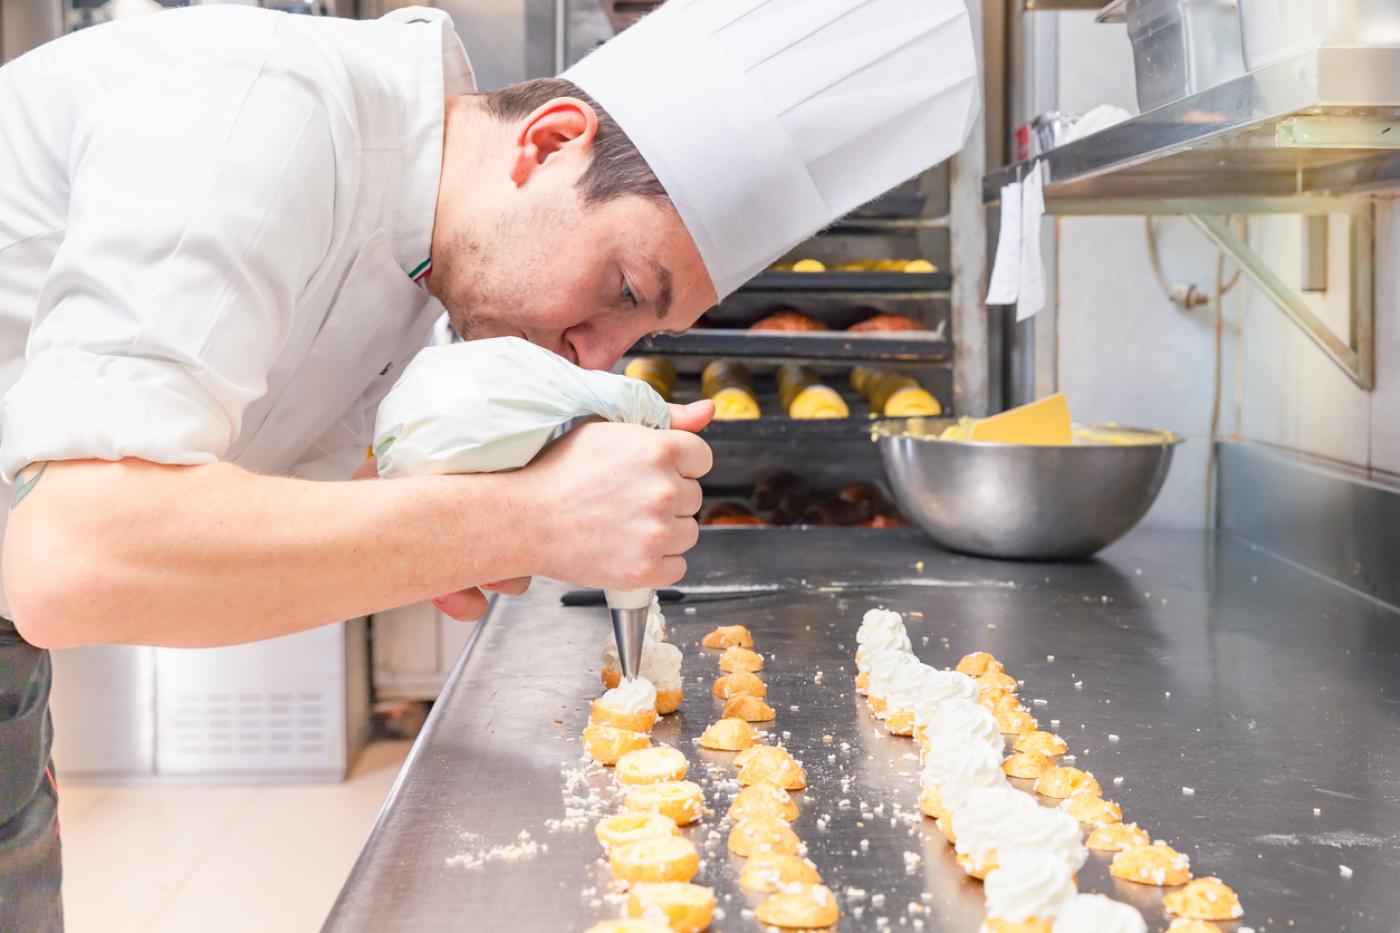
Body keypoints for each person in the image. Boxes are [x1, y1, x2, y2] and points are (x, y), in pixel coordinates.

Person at [0, 1, 979, 928]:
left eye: (639, 329)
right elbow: (75, 557)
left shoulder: (423, 251)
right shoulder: (258, 114)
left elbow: (216, 514)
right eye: (624, 285)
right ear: (549, 143)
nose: (598, 354)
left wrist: (456, 518)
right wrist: (523, 520)